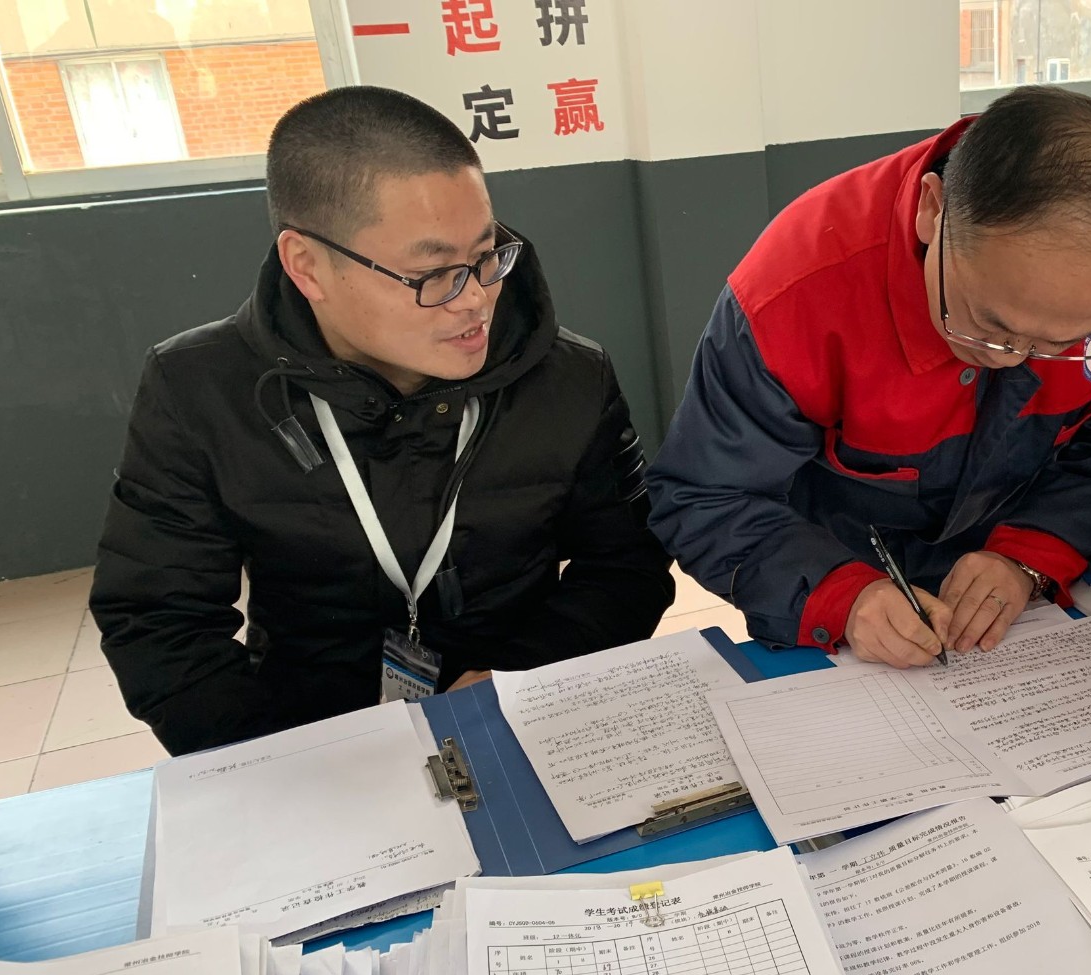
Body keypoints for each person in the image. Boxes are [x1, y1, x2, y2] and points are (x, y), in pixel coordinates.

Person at [92, 86, 673, 755]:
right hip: (306, 732)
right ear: (307, 267)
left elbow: (627, 566)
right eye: (433, 274)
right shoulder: (200, 388)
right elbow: (159, 619)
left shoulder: (569, 377)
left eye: (488, 255)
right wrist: (276, 760)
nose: (476, 300)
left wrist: (521, 679)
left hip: (520, 715)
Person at [647, 87, 1091, 668]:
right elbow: (707, 495)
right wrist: (840, 596)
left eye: (1064, 341)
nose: (1014, 357)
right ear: (932, 209)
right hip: (846, 569)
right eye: (989, 324)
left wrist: (1036, 552)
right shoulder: (793, 291)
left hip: (1035, 569)